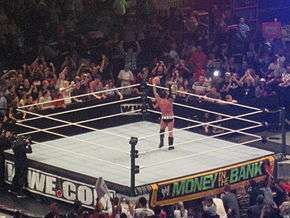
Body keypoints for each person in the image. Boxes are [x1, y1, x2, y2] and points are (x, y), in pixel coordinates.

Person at [152, 78, 176, 150]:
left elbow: (155, 92)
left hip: (164, 118)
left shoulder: (159, 100)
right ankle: (170, 146)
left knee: (162, 130)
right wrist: (169, 86)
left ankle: (161, 142)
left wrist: (154, 84)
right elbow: (172, 93)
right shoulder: (170, 100)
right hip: (170, 118)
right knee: (170, 132)